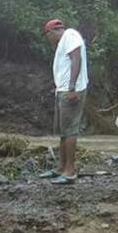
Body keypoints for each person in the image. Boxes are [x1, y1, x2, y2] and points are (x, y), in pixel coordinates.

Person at [40, 19, 88, 185]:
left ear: (51, 32)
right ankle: (61, 167)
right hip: (63, 91)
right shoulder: (64, 41)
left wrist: (72, 87)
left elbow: (76, 59)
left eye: (48, 36)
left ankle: (70, 171)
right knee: (63, 131)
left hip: (71, 91)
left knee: (70, 131)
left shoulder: (70, 35)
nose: (49, 40)